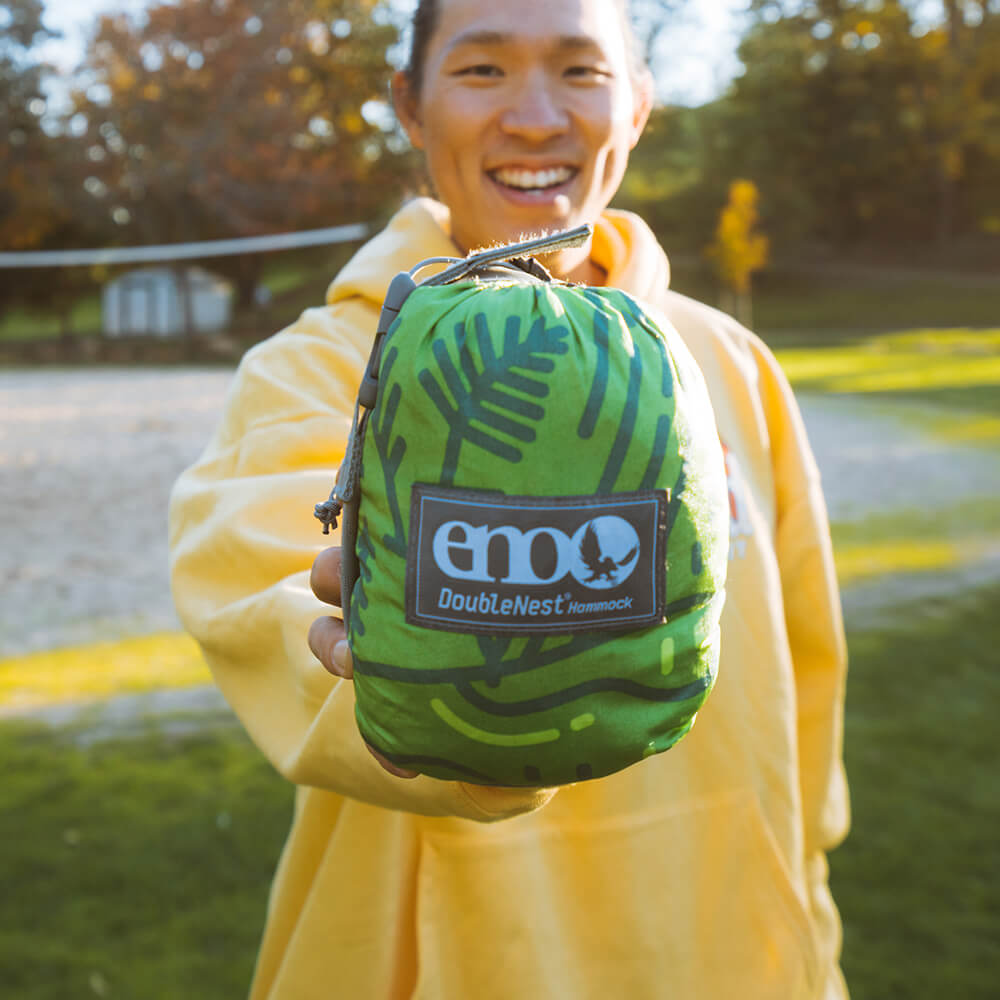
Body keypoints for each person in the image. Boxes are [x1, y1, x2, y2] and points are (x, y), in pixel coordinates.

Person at [168, 0, 850, 996]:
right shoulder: (315, 371)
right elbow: (262, 587)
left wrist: (812, 937)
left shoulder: (728, 362)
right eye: (481, 71)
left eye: (581, 71)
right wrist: (369, 670)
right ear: (409, 105)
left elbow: (808, 688)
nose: (534, 118)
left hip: (732, 957)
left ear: (640, 104)